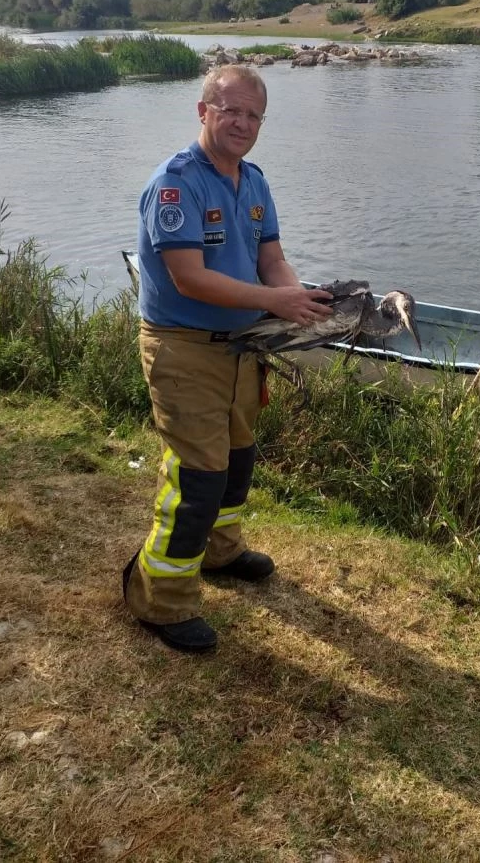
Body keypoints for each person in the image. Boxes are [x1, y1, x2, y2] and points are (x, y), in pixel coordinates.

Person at [122, 64, 333, 654]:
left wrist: (298, 297)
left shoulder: (254, 180)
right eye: (230, 110)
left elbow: (272, 260)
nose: (241, 123)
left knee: (238, 460)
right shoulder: (176, 183)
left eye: (253, 115)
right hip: (183, 347)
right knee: (198, 476)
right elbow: (189, 279)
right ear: (203, 112)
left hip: (246, 347)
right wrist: (276, 300)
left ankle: (220, 551)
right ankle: (158, 597)